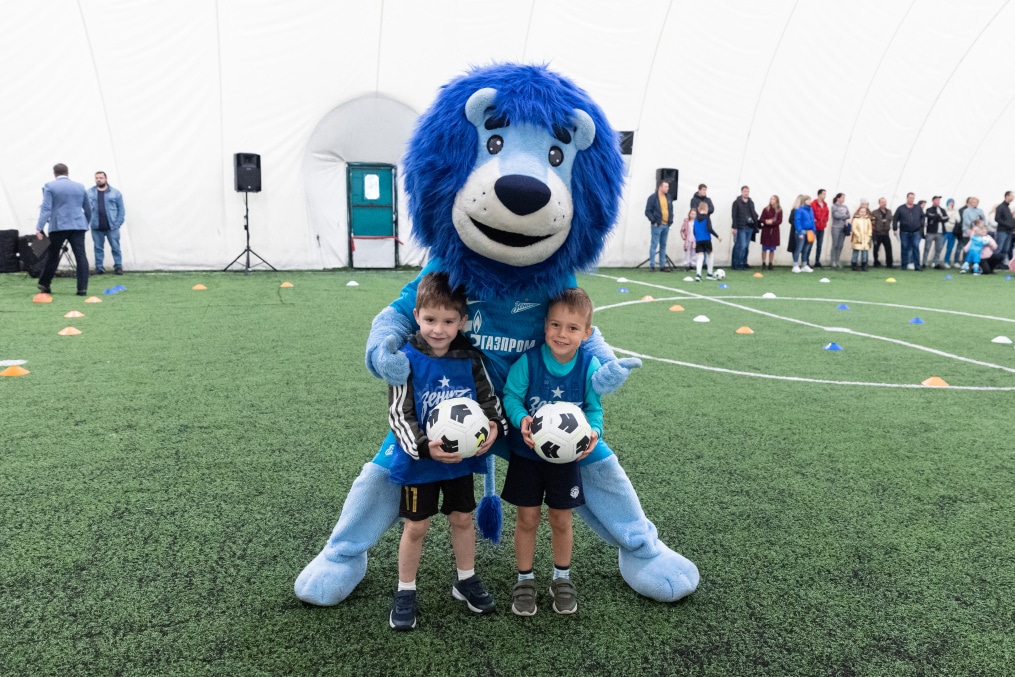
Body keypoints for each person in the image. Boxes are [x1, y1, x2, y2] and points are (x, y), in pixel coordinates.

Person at [386, 272, 505, 631]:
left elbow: (489, 401)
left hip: (460, 463)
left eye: (448, 321)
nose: (438, 329)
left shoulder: (469, 358)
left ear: (462, 321)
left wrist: (494, 428)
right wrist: (424, 447)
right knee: (417, 526)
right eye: (430, 320)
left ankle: (465, 579)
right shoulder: (404, 357)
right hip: (419, 464)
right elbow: (398, 413)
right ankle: (405, 590)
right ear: (417, 315)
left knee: (462, 519)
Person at [501, 288, 602, 616]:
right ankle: (525, 579)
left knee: (561, 518)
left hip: (566, 461)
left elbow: (594, 409)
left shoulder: (589, 366)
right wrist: (522, 420)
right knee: (527, 518)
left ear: (586, 333)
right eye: (556, 325)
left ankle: (561, 577)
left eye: (572, 328)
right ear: (544, 326)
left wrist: (595, 432)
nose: (562, 334)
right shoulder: (528, 362)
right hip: (527, 456)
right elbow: (511, 398)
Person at [35, 163, 92, 296]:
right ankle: (82, 289)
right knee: (81, 256)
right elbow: (88, 209)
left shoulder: (50, 186)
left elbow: (46, 208)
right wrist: (84, 223)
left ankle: (44, 284)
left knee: (53, 256)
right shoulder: (80, 186)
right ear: (68, 172)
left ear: (55, 174)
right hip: (78, 226)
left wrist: (39, 227)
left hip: (58, 226)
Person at [87, 171, 126, 275]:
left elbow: (121, 210)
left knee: (116, 247)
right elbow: (85, 209)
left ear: (106, 179)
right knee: (98, 248)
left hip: (112, 227)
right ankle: (99, 268)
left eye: (101, 177)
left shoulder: (115, 193)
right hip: (96, 226)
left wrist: (117, 223)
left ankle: (118, 266)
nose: (98, 179)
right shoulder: (89, 193)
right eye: (96, 178)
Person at [644, 180, 673, 272]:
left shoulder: (668, 197)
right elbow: (647, 211)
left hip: (666, 225)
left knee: (663, 245)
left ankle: (662, 266)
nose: (667, 188)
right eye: (666, 186)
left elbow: (670, 210)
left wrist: (670, 221)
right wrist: (653, 221)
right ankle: (652, 265)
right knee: (654, 244)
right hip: (657, 225)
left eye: (668, 186)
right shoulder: (653, 198)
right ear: (660, 187)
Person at [892, 192, 925, 270]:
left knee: (916, 247)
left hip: (916, 232)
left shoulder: (918, 208)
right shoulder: (901, 208)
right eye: (910, 198)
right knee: (904, 248)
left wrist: (921, 225)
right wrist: (895, 228)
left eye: (913, 198)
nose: (911, 200)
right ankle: (904, 266)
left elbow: (922, 216)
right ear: (907, 198)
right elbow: (895, 218)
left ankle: (917, 266)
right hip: (904, 232)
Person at [730, 185, 759, 270]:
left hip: (750, 226)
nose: (746, 193)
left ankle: (743, 262)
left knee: (746, 246)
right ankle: (736, 263)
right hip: (741, 226)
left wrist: (756, 220)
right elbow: (734, 216)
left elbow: (753, 213)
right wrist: (735, 227)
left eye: (747, 191)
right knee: (741, 245)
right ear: (741, 192)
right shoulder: (736, 202)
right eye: (745, 191)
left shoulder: (751, 202)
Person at [692, 199, 721, 281]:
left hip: (698, 240)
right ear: (706, 209)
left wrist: (697, 237)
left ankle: (698, 275)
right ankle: (709, 274)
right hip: (706, 239)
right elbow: (709, 228)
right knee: (710, 255)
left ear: (698, 209)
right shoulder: (707, 218)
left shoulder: (696, 219)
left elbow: (694, 230)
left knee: (700, 257)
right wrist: (717, 236)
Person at [791, 194, 815, 273]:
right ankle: (795, 265)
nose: (809, 201)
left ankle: (804, 265)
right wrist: (800, 231)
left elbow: (812, 221)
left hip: (809, 232)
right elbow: (797, 221)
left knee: (806, 249)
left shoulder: (811, 210)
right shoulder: (799, 210)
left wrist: (814, 231)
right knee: (799, 248)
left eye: (810, 200)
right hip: (801, 232)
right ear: (804, 201)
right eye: (807, 200)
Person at [923, 196, 948, 269]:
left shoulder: (942, 210)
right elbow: (930, 216)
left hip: (940, 233)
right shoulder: (929, 209)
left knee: (939, 248)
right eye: (937, 200)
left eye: (939, 200)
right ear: (933, 201)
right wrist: (938, 217)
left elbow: (946, 218)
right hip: (931, 232)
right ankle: (924, 262)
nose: (938, 201)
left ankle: (936, 262)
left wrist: (938, 217)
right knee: (927, 248)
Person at [758, 195, 782, 270]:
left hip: (774, 231)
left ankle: (770, 263)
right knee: (764, 248)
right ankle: (763, 263)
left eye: (773, 199)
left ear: (776, 200)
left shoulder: (779, 210)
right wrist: (765, 221)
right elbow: (761, 219)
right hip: (766, 231)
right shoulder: (766, 209)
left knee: (772, 249)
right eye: (771, 199)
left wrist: (772, 222)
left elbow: (779, 220)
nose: (772, 200)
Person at [849, 199, 873, 271]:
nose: (863, 213)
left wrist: (869, 235)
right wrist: (858, 235)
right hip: (857, 238)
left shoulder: (867, 219)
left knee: (865, 252)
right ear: (859, 212)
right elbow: (854, 228)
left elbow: (870, 228)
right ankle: (854, 264)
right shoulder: (856, 219)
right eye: (861, 212)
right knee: (855, 252)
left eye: (864, 212)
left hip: (865, 239)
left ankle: (864, 265)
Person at [828, 192, 850, 268]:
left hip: (843, 227)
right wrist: (844, 216)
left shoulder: (845, 206)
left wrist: (843, 216)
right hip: (835, 227)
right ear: (838, 198)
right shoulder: (834, 206)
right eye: (842, 197)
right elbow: (836, 215)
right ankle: (833, 260)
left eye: (844, 197)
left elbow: (849, 215)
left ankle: (837, 260)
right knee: (835, 244)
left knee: (840, 245)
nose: (843, 199)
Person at [870, 197, 894, 268]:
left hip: (886, 234)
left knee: (889, 249)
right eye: (882, 202)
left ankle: (889, 264)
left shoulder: (889, 211)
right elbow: (872, 222)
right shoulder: (874, 212)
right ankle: (876, 262)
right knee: (876, 249)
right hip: (877, 234)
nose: (884, 203)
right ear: (879, 203)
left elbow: (890, 220)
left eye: (885, 202)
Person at [809, 190, 829, 268]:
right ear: (819, 195)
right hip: (813, 227)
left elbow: (827, 214)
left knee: (819, 245)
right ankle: (806, 261)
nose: (825, 196)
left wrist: (825, 221)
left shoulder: (825, 205)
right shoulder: (813, 204)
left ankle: (817, 261)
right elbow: (811, 214)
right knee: (810, 244)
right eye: (823, 194)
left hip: (822, 227)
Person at [993, 191, 1013, 267]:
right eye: (1011, 196)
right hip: (1002, 231)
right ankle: (994, 263)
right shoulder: (1000, 207)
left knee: (1006, 249)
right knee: (999, 248)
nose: (1013, 197)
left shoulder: (1008, 208)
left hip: (1008, 231)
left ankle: (1001, 263)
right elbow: (997, 218)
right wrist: (1008, 225)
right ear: (1006, 196)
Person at [943, 198, 961, 268]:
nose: (951, 204)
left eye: (952, 202)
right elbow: (945, 218)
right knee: (941, 246)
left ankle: (946, 261)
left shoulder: (956, 210)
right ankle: (936, 261)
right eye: (950, 202)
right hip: (945, 230)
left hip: (953, 231)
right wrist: (950, 214)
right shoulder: (944, 210)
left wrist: (953, 214)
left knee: (950, 247)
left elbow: (958, 219)